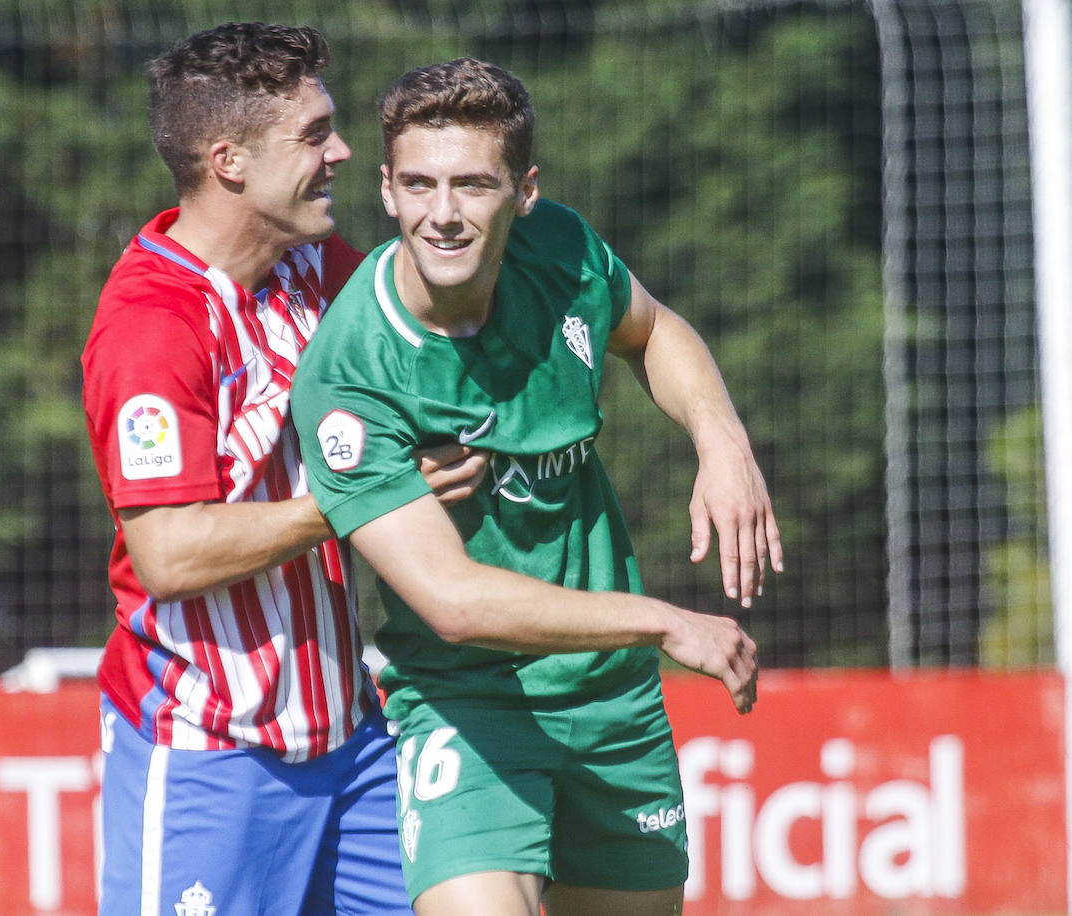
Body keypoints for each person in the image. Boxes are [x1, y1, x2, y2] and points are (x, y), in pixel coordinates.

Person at [292, 58, 783, 915]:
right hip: (466, 701)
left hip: (611, 702)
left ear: (522, 192)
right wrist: (664, 620)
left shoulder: (558, 247)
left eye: (473, 185)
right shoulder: (351, 369)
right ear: (386, 188)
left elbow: (653, 328)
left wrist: (722, 439)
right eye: (419, 184)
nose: (443, 214)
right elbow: (455, 602)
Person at [80, 24, 484, 916]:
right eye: (314, 134)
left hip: (354, 744)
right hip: (209, 757)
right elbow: (171, 554)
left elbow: (443, 336)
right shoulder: (152, 327)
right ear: (228, 161)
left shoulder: (315, 269)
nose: (340, 151)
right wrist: (364, 494)